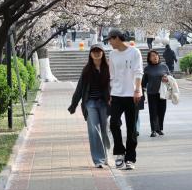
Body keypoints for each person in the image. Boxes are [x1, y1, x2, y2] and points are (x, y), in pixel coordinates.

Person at [68, 44, 111, 167]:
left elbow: (116, 85)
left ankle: (106, 155)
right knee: (94, 130)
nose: (96, 53)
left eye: (99, 51)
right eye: (94, 51)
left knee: (105, 130)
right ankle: (99, 160)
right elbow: (80, 88)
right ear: (90, 54)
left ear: (103, 53)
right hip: (90, 103)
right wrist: (74, 104)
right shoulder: (86, 70)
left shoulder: (109, 68)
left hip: (105, 103)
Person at [106, 29, 144, 170]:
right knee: (113, 123)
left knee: (131, 128)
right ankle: (120, 152)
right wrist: (110, 93)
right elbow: (112, 75)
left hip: (132, 95)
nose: (109, 43)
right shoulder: (112, 54)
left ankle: (130, 158)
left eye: (110, 40)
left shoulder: (134, 52)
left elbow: (138, 71)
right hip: (116, 94)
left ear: (116, 38)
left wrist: (137, 90)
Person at [142, 50, 171, 137]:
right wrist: (142, 91)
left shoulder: (164, 66)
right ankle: (153, 130)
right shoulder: (147, 68)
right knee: (153, 112)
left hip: (162, 93)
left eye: (156, 55)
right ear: (149, 58)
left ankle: (159, 129)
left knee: (162, 111)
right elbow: (144, 82)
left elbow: (170, 77)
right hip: (152, 93)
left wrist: (167, 79)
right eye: (153, 56)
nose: (155, 57)